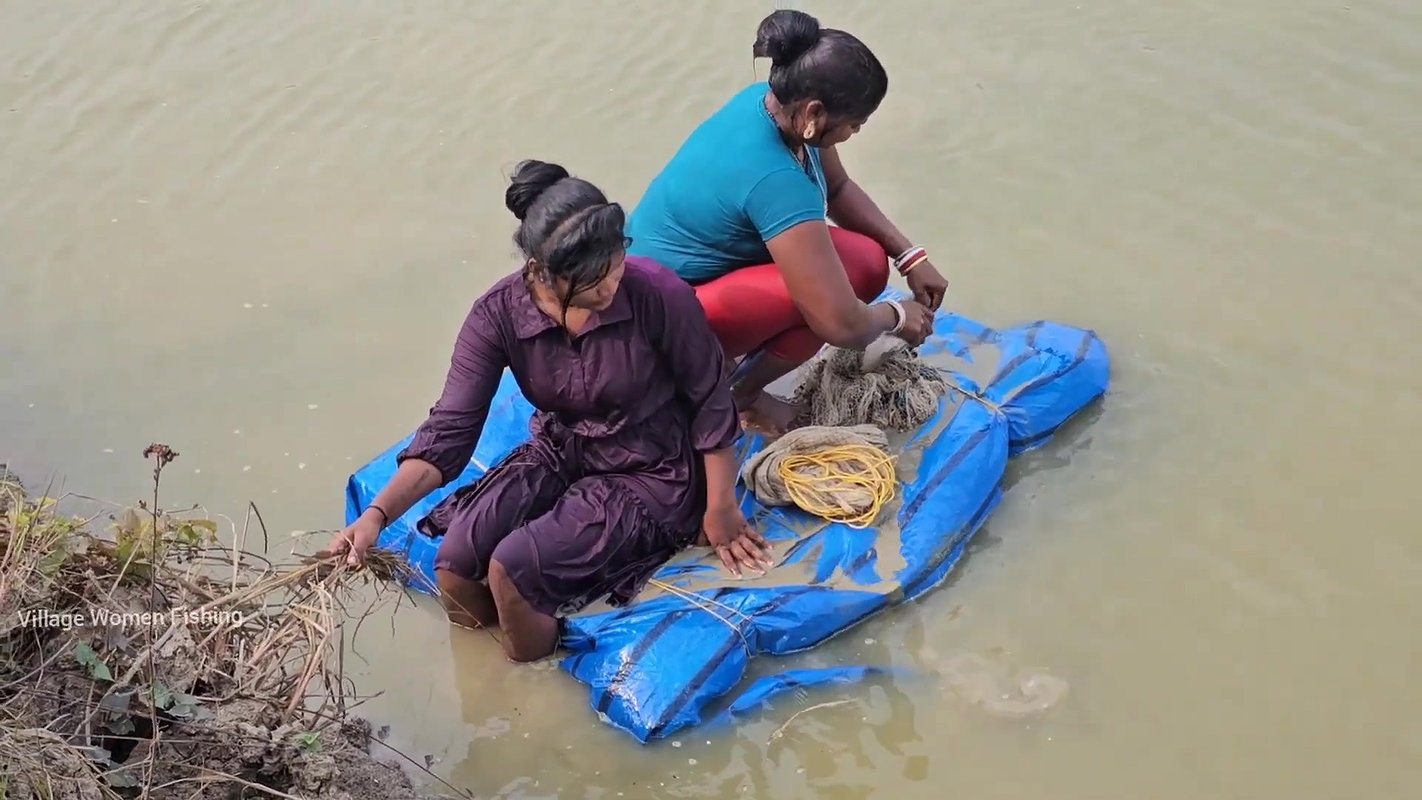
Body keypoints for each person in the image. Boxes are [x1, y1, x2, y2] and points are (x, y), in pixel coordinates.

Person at [328, 160, 774, 663]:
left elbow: (710, 398)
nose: (609, 288)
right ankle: (489, 682)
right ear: (542, 273)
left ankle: (527, 684)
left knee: (513, 571)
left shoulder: (658, 294)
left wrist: (719, 508)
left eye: (616, 265)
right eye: (591, 282)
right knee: (455, 562)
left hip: (654, 466)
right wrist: (375, 517)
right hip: (564, 448)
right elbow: (451, 430)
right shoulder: (496, 315)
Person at [625, 9, 951, 434]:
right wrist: (897, 315)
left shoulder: (775, 104)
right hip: (650, 320)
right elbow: (841, 325)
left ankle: (731, 356)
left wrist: (909, 256)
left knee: (868, 263)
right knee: (821, 304)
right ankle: (739, 398)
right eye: (855, 124)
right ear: (815, 112)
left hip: (699, 278)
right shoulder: (775, 178)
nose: (855, 133)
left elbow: (835, 188)